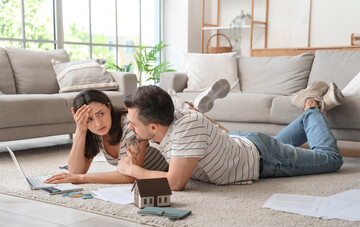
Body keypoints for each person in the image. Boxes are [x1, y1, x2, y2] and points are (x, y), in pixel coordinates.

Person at [117, 80, 344, 191]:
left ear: (154, 127)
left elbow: (176, 183)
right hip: (240, 142)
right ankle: (309, 116)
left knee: (330, 159)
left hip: (265, 157)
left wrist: (133, 170)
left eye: (133, 123)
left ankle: (311, 105)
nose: (130, 126)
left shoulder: (185, 130)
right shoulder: (163, 120)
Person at [45, 89, 168, 184]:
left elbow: (131, 175)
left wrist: (80, 178)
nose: (98, 124)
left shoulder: (132, 126)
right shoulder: (94, 132)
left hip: (168, 170)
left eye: (101, 114)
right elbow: (75, 171)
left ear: (109, 106)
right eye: (89, 119)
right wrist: (80, 130)